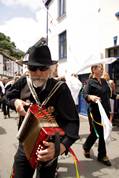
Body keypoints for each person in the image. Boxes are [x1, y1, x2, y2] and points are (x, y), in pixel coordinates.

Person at [6, 40, 80, 178]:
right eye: (33, 68)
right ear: (28, 69)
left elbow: (72, 123)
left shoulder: (61, 89)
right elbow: (8, 96)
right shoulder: (23, 82)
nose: (38, 73)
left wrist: (59, 148)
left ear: (51, 68)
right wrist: (15, 102)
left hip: (50, 147)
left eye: (43, 68)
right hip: (25, 143)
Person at [82, 64, 119, 167]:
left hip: (105, 111)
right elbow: (84, 94)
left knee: (95, 133)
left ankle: (86, 146)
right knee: (102, 133)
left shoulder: (103, 81)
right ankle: (102, 155)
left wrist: (117, 96)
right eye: (100, 68)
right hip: (95, 112)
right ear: (94, 70)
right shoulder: (89, 82)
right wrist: (91, 96)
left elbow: (110, 95)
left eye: (102, 69)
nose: (102, 70)